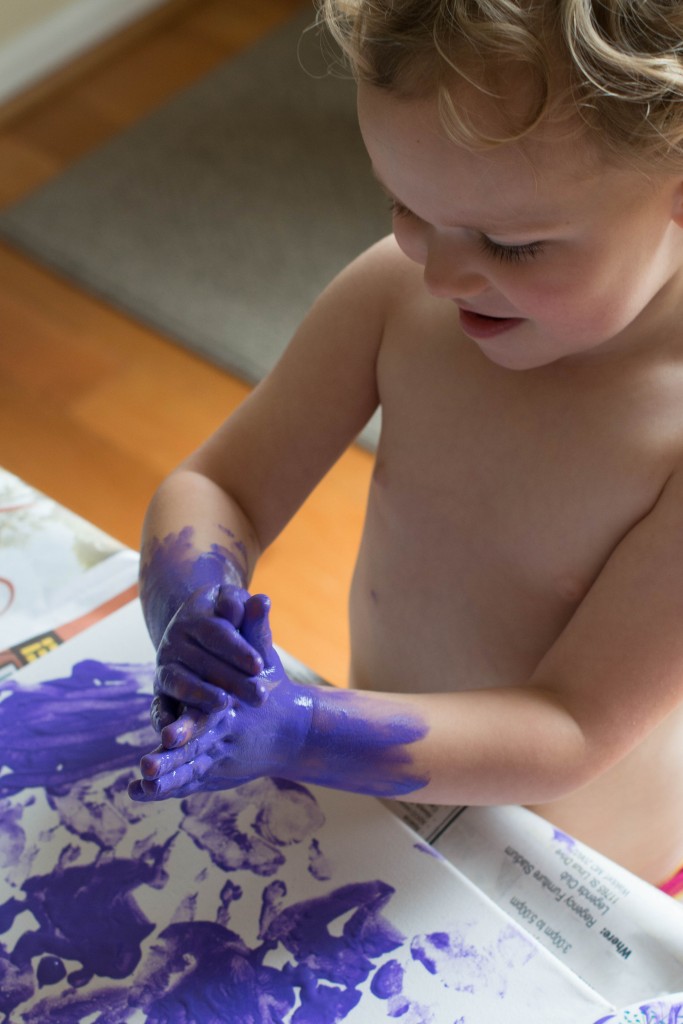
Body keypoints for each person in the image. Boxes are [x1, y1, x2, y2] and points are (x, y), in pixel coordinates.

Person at [129, 0, 683, 896]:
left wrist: (307, 727)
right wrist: (193, 604)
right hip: (389, 805)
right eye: (405, 206)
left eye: (512, 243)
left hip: (577, 886)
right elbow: (218, 483)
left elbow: (569, 727)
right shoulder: (399, 297)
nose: (440, 271)